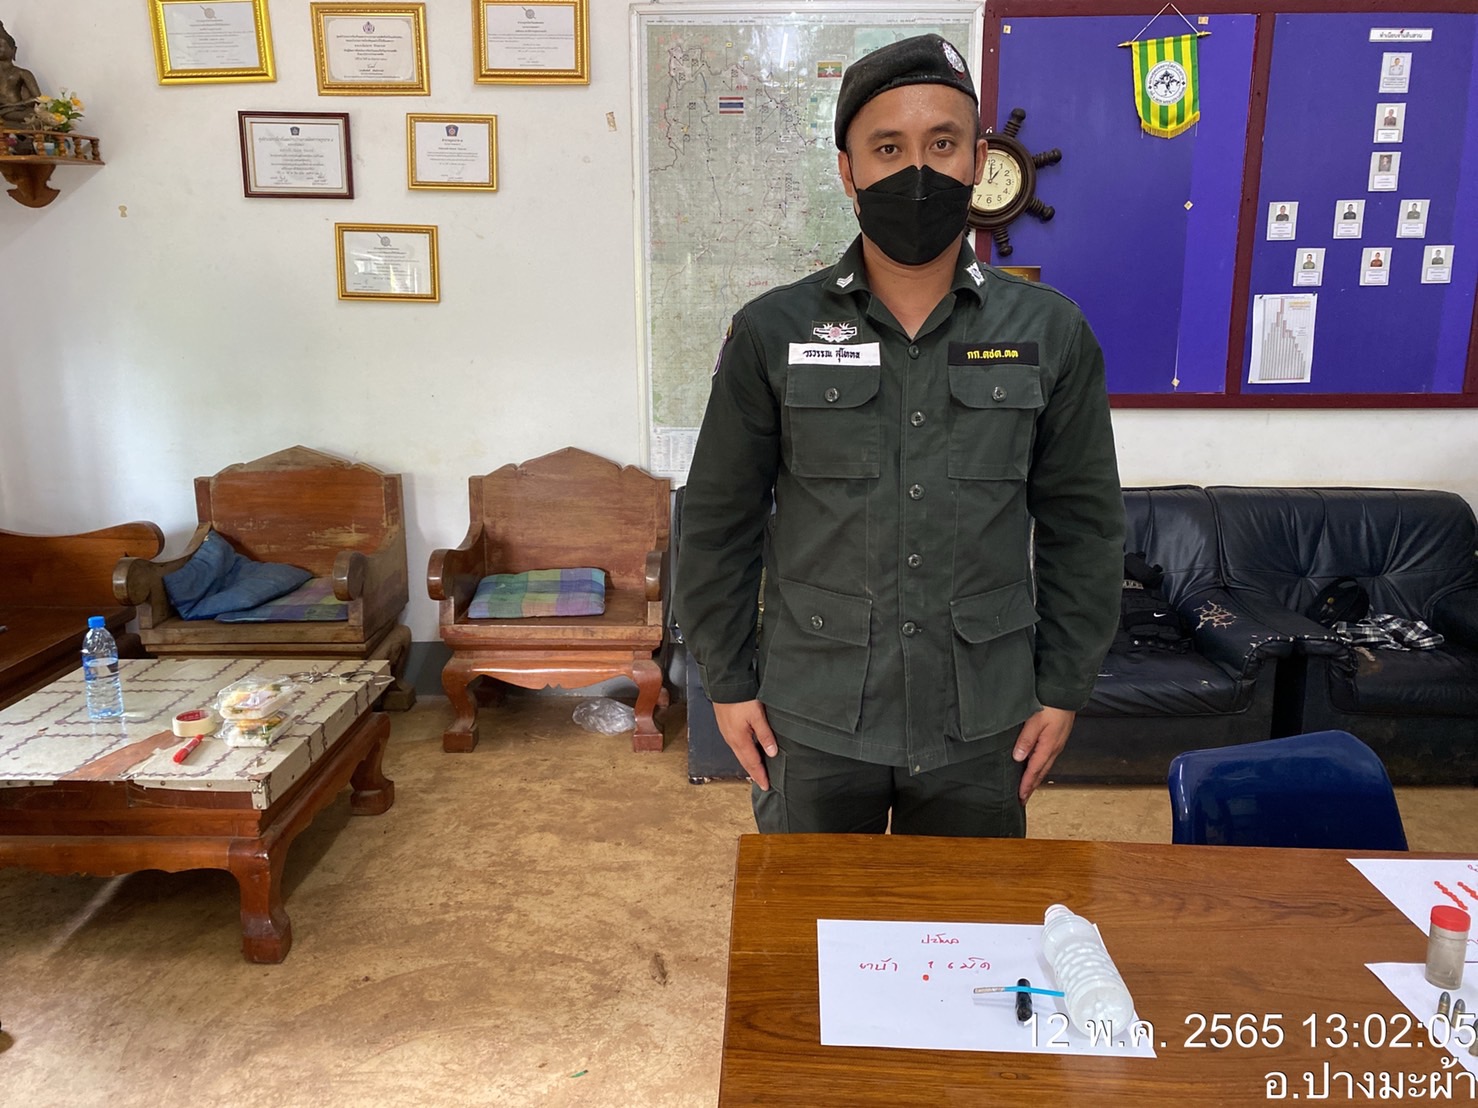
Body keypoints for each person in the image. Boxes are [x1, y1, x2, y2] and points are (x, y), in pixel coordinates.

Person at [674, 34, 1123, 839]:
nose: (918, 171)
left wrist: (1064, 687)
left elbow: (1083, 528)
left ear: (977, 160)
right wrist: (727, 682)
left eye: (942, 144)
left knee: (967, 917)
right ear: (848, 173)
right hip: (812, 715)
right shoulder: (772, 331)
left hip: (983, 716)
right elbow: (717, 522)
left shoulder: (1050, 332)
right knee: (812, 915)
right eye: (888, 148)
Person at [0, 22, 41, 129]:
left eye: (1, 46)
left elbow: (38, 98)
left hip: (17, 109)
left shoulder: (22, 73)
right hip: (2, 110)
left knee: (36, 119)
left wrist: (14, 105)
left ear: (13, 50)